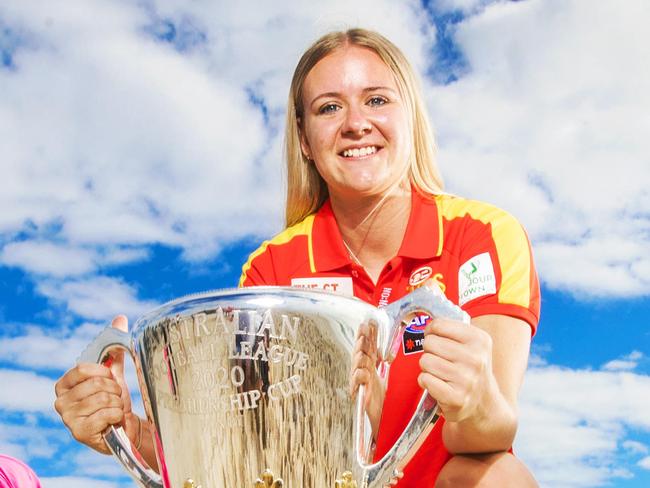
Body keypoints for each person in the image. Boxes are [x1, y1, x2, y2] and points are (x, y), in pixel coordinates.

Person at [54, 28, 540, 487]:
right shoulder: (271, 270)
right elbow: (244, 448)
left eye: (377, 99)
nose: (355, 123)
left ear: (409, 117)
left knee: (493, 475)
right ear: (305, 141)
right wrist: (128, 431)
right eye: (329, 108)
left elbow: (487, 436)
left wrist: (476, 404)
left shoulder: (484, 236)